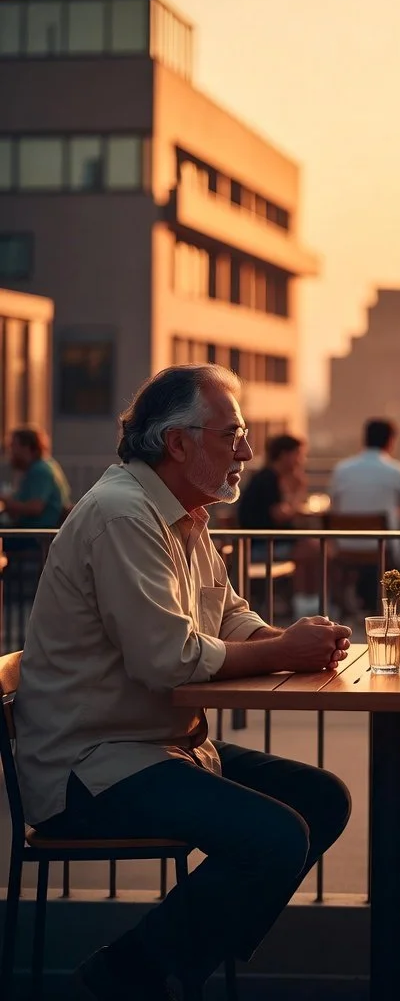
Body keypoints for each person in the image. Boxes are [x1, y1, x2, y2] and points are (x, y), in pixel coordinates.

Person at [14, 364, 352, 1001]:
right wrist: (286, 650)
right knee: (276, 837)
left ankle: (157, 966)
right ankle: (131, 974)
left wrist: (290, 642)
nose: (247, 451)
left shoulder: (181, 514)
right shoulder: (124, 516)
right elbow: (166, 660)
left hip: (160, 747)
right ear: (178, 443)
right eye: (234, 434)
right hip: (90, 768)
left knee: (323, 800)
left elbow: (226, 614)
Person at [329, 418, 400, 611]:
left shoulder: (341, 469)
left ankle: (363, 600)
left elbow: (333, 507)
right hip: (384, 547)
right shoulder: (397, 471)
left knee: (371, 557)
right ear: (391, 441)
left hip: (345, 545)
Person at [237, 432, 322, 618]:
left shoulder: (269, 477)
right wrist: (298, 491)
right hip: (260, 544)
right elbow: (279, 514)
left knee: (314, 547)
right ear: (285, 455)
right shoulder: (268, 479)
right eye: (299, 455)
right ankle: (307, 604)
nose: (302, 460)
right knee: (314, 549)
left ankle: (307, 601)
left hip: (267, 541)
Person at [0, 426, 71, 531]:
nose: (10, 453)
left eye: (13, 446)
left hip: (35, 534)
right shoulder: (47, 464)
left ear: (27, 448)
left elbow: (35, 507)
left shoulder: (39, 470)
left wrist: (8, 503)